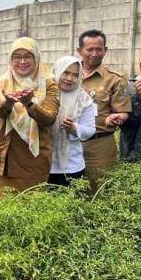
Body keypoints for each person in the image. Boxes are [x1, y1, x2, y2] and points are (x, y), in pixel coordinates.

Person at [0, 37, 59, 198]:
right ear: (10, 60)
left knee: (29, 208)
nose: (22, 61)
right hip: (3, 155)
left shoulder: (48, 85)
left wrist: (29, 105)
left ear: (36, 58)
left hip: (33, 160)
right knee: (0, 209)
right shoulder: (0, 83)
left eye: (27, 56)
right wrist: (7, 103)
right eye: (16, 57)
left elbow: (49, 118)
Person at [77, 29, 131, 189]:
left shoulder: (116, 79)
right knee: (66, 190)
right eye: (89, 49)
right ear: (80, 51)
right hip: (68, 143)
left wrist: (117, 117)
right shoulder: (66, 75)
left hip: (99, 145)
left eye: (99, 49)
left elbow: (123, 111)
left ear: (105, 50)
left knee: (100, 191)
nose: (94, 53)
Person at [48, 56, 96, 186]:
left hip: (72, 165)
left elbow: (90, 129)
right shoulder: (44, 93)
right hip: (43, 163)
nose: (70, 79)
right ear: (57, 71)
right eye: (66, 72)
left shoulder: (84, 99)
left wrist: (73, 128)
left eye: (75, 75)